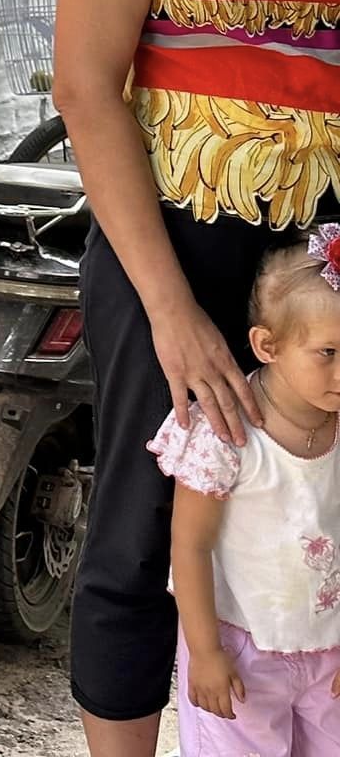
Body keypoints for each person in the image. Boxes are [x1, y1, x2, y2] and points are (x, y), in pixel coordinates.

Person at [53, 0, 340, 757]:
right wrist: (170, 313)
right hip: (169, 241)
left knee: (321, 506)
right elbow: (86, 89)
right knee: (139, 530)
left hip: (324, 257)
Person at [151, 231, 339, 757]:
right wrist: (206, 652)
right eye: (327, 352)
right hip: (240, 651)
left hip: (331, 650)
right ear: (267, 346)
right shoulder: (224, 435)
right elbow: (190, 545)